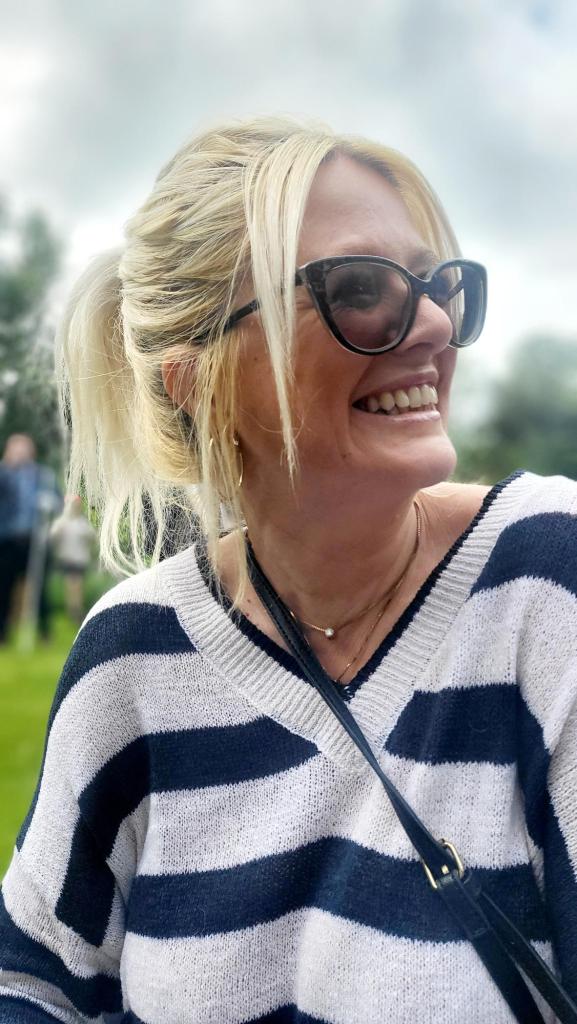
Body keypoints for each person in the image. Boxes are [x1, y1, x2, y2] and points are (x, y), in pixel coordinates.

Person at [0, 117, 575, 1023]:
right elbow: (30, 978)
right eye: (359, 289)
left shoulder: (545, 579)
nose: (433, 326)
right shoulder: (133, 656)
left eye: (437, 286)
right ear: (198, 383)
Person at [0, 433, 61, 644]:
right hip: (7, 539)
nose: (20, 453)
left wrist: (51, 502)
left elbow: (58, 502)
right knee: (4, 587)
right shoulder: (3, 474)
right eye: (15, 448)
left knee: (40, 588)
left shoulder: (43, 476)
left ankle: (45, 633)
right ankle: (2, 633)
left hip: (35, 541)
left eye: (23, 448)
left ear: (31, 452)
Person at [49, 495, 97, 623]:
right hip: (68, 559)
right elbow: (53, 536)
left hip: (80, 559)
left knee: (77, 586)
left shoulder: (82, 523)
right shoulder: (63, 522)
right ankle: (74, 610)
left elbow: (92, 537)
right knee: (73, 584)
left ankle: (75, 608)